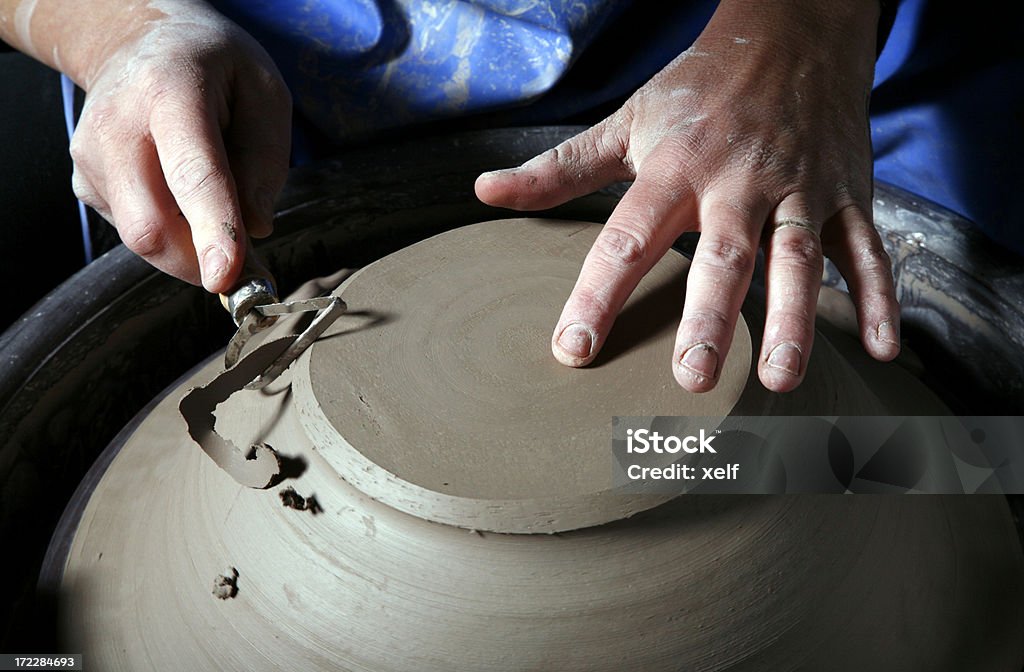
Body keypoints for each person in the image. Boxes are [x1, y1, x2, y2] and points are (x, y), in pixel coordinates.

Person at [0, 1, 1018, 393]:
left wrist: (797, 36)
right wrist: (111, 28)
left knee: (923, 459)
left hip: (764, 47)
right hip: (265, 68)